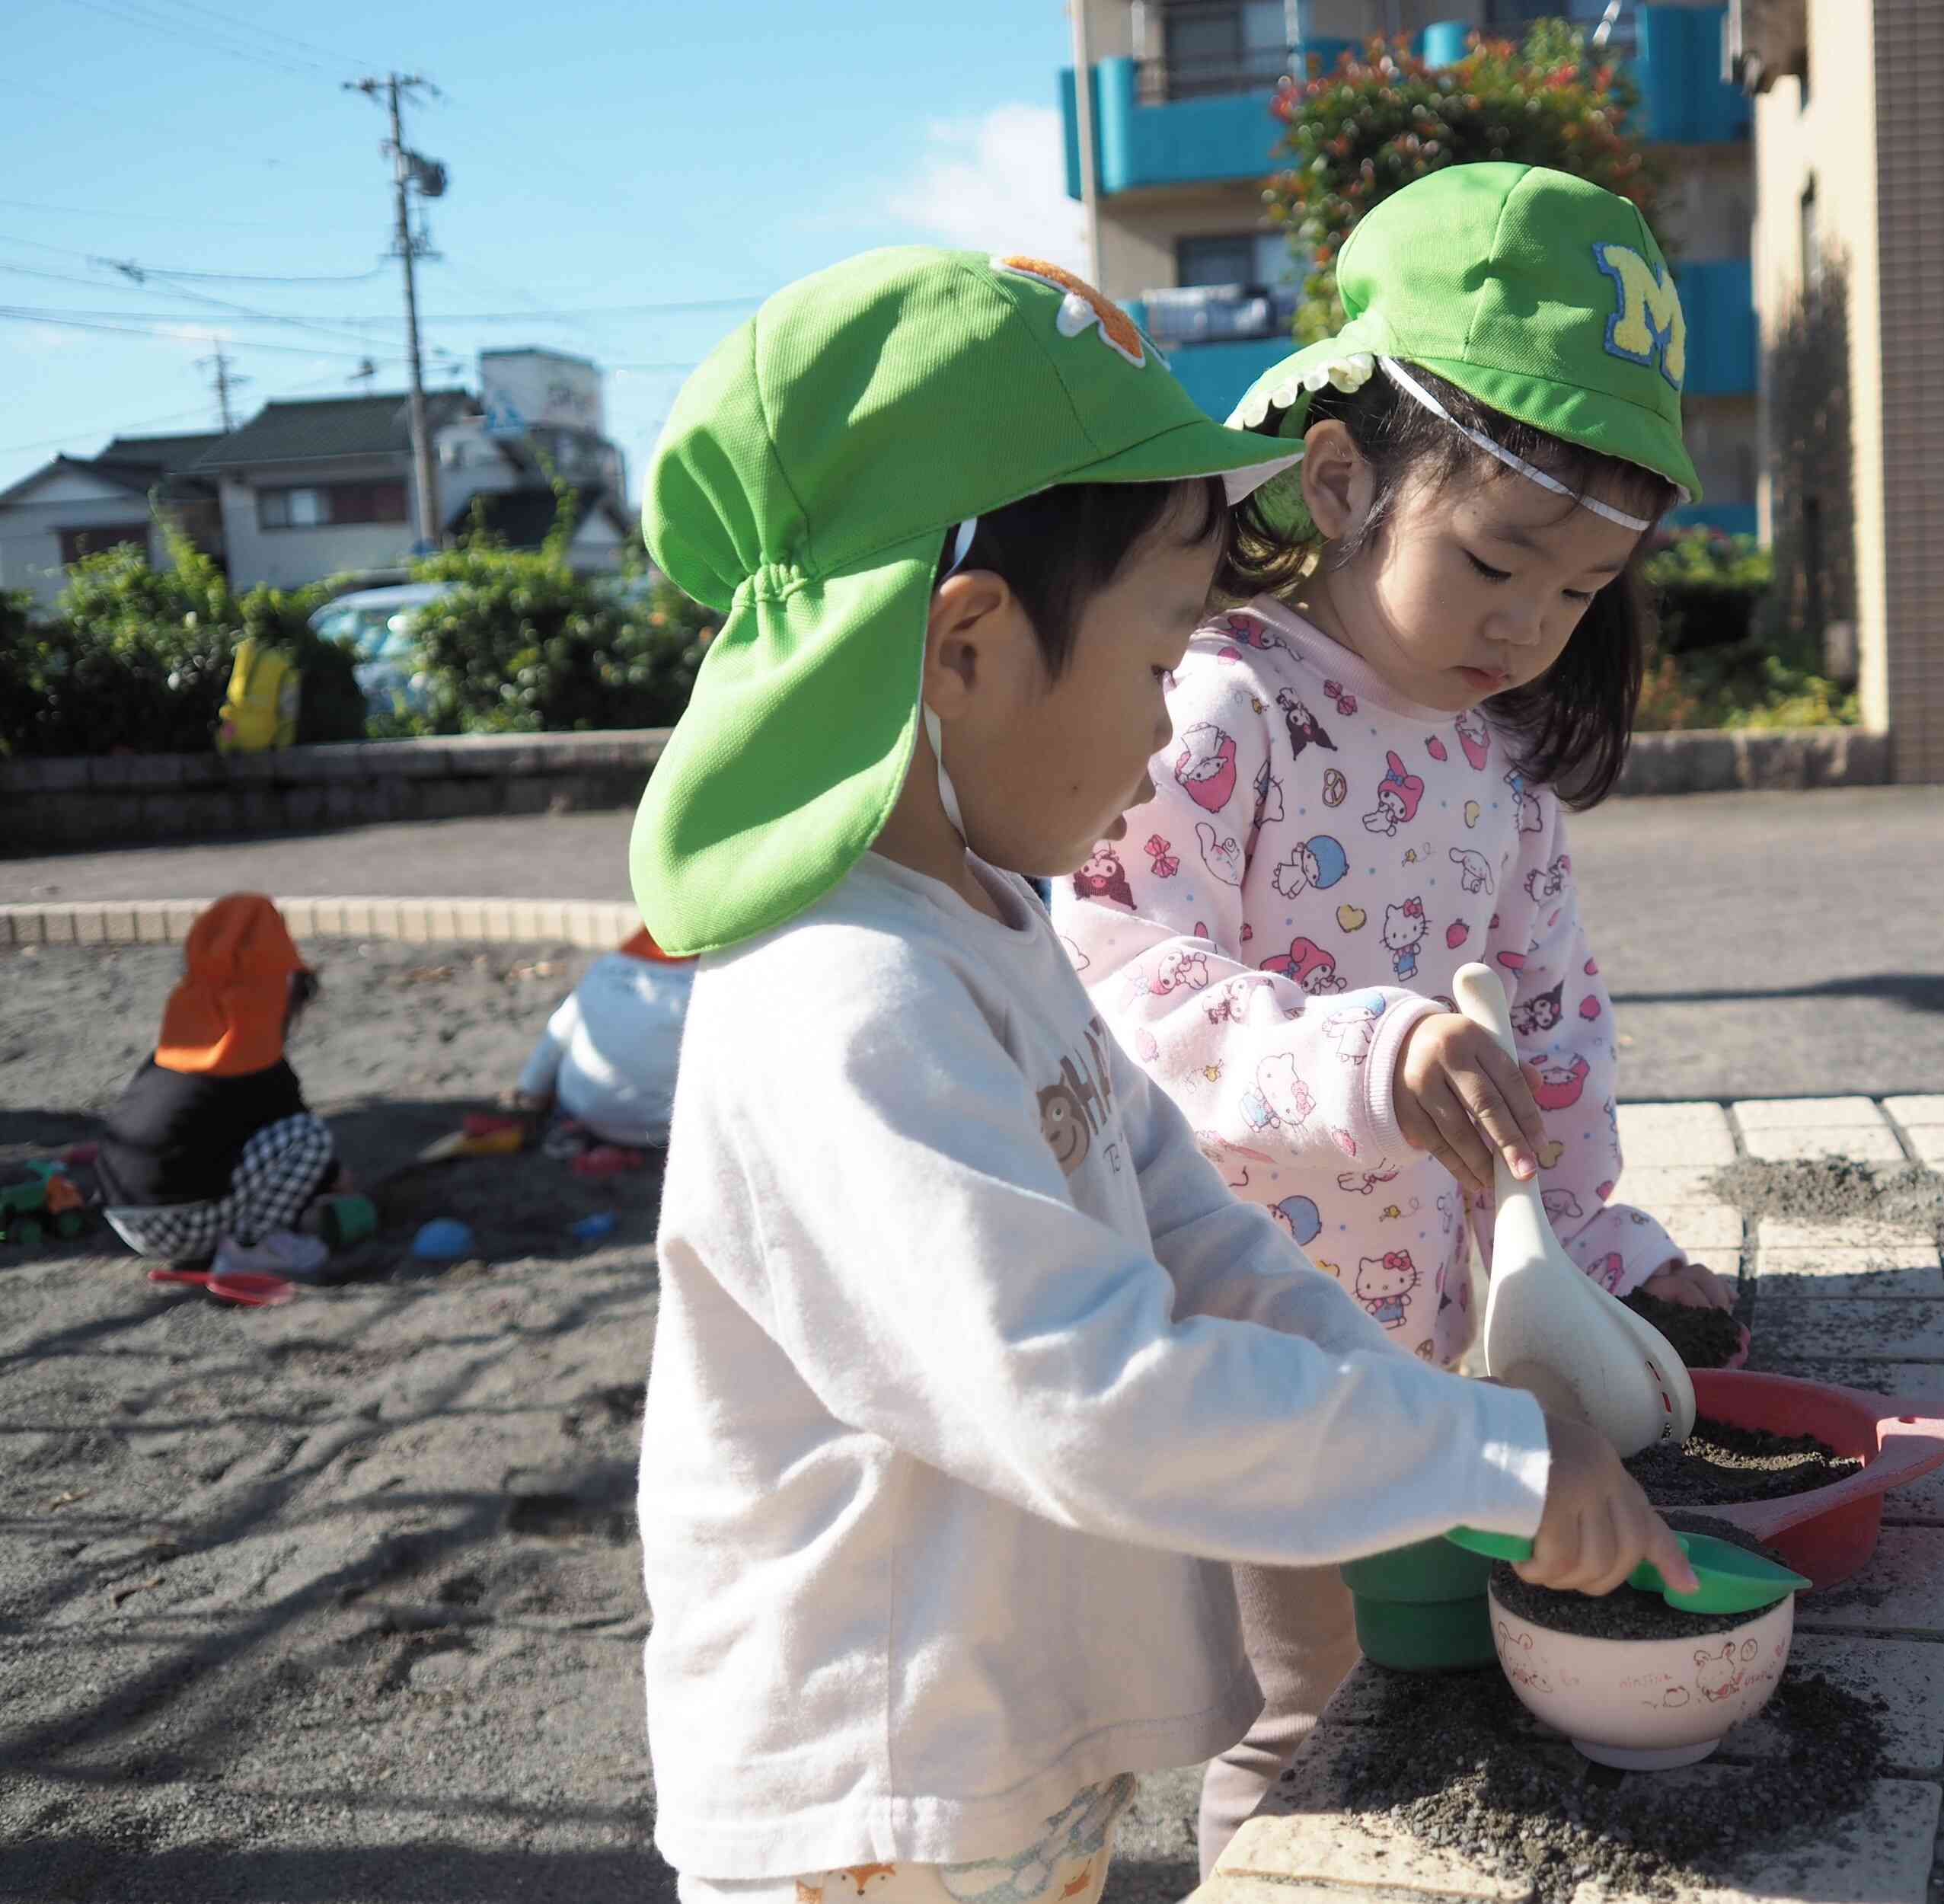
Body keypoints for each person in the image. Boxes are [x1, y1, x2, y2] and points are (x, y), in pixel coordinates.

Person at [625, 248, 1694, 1904]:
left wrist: (1475, 1424)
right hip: (872, 1797)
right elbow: (1082, 1385)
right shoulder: (843, 994)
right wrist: (1486, 1458)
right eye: (1151, 664)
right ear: (967, 645)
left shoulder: (983, 922)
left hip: (992, 1758)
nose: (1161, 732)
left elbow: (1198, 1234)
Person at [1049, 164, 1738, 1870]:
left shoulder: (1496, 768)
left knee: (1427, 1677)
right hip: (1267, 1339)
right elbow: (1118, 965)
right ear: (1345, 478)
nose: (1527, 626)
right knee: (1304, 1707)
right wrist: (1360, 1050)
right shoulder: (1224, 704)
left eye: (1578, 590)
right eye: (1498, 561)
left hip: (1440, 1344)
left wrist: (1586, 1249)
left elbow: (1554, 1042)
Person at [97, 893, 337, 1281]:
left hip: (121, 1213)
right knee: (309, 1139)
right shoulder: (258, 1061)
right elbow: (295, 1131)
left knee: (214, 1143)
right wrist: (335, 1183)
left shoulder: (177, 1046)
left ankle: (220, 1236)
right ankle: (251, 1249)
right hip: (177, 1224)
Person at [505, 925, 696, 1156]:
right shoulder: (706, 981)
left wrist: (529, 1090)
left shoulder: (604, 967)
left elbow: (556, 1037)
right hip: (664, 1127)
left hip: (586, 1112)